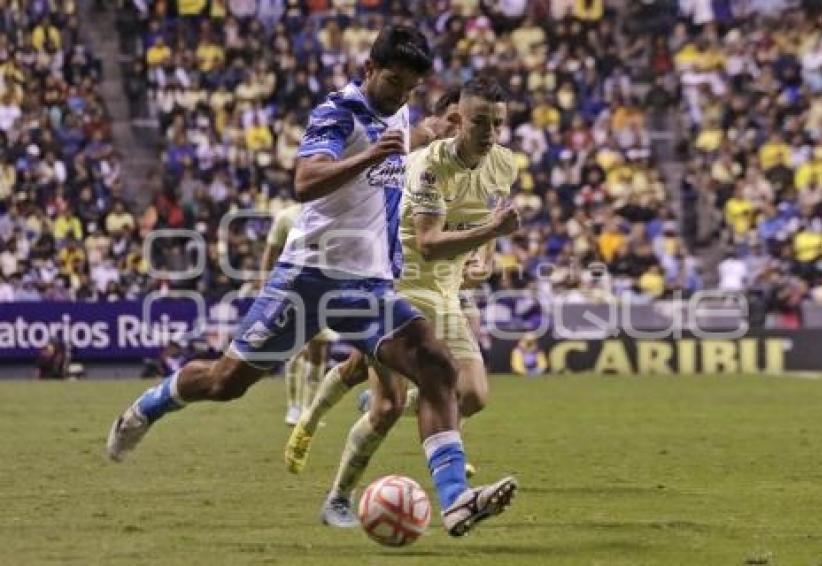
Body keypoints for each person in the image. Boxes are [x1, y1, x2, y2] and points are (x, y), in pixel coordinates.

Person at [106, 25, 516, 537]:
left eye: (409, 88)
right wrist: (371, 156)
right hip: (309, 279)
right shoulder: (335, 113)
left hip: (368, 286)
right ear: (369, 69)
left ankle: (456, 501)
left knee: (436, 366)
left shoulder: (400, 112)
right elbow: (304, 181)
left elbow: (411, 137)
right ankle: (150, 406)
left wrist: (435, 127)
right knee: (225, 383)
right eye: (392, 82)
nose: (399, 95)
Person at [284, 77, 520, 527]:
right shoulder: (426, 166)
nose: (490, 133)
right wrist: (491, 233)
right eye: (480, 123)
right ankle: (337, 495)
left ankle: (430, 427)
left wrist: (486, 256)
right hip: (401, 288)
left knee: (474, 393)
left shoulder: (503, 165)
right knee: (385, 406)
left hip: (445, 294)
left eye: (498, 124)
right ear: (457, 119)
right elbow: (430, 242)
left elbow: (490, 210)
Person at [261, 201, 338, 426]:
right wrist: (266, 284)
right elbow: (271, 251)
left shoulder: (332, 213)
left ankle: (308, 409)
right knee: (297, 347)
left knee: (319, 351)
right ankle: (293, 407)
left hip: (324, 290)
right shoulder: (286, 217)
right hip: (293, 289)